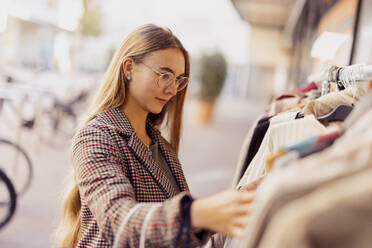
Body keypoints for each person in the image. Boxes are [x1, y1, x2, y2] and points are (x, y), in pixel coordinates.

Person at [54, 24, 259, 248]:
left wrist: (236, 202)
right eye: (164, 75)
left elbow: (175, 236)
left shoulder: (162, 146)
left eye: (178, 80)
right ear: (129, 68)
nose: (172, 90)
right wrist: (196, 213)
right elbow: (118, 221)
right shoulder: (97, 136)